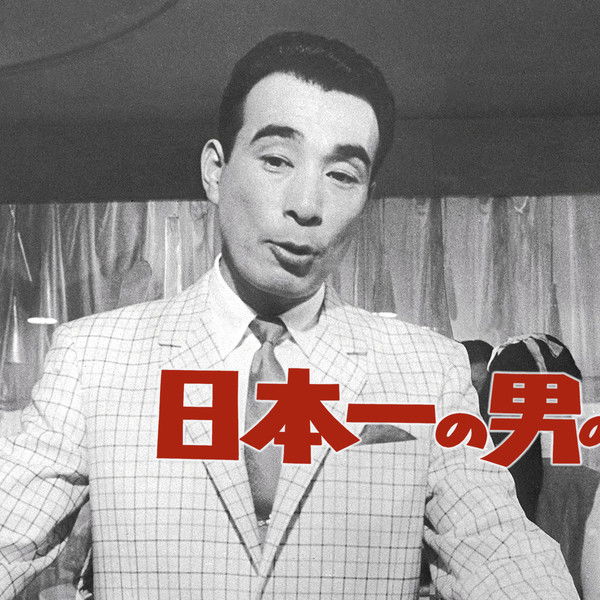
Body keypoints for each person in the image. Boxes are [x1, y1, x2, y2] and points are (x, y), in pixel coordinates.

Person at [0, 31, 578, 600]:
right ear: (215, 170)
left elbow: (496, 543)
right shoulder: (94, 357)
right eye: (277, 160)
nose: (306, 205)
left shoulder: (426, 368)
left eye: (342, 174)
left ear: (367, 195)